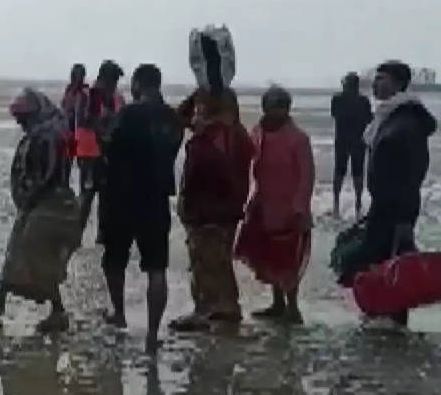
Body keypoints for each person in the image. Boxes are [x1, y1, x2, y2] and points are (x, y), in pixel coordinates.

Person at [0, 88, 75, 332]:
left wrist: (30, 197)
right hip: (42, 203)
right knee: (16, 250)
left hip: (50, 205)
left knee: (37, 256)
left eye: (22, 118)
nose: (20, 123)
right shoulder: (56, 131)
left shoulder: (51, 135)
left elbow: (50, 174)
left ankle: (58, 312)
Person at [343, 61, 438, 328]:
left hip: (397, 207)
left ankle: (392, 318)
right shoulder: (388, 116)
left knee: (393, 264)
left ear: (398, 84)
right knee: (381, 262)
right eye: (375, 79)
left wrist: (403, 214)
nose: (375, 84)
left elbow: (415, 168)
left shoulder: (406, 121)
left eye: (381, 79)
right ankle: (382, 314)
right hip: (385, 204)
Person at [99, 64, 184, 354]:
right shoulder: (173, 119)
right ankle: (151, 334)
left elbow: (108, 145)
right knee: (156, 269)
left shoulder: (128, 113)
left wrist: (103, 128)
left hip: (121, 197)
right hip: (156, 198)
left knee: (114, 260)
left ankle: (119, 313)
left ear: (138, 84)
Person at [172, 87, 254, 332]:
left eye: (201, 110)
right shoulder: (235, 134)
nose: (196, 116)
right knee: (219, 261)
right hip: (227, 209)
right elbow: (180, 117)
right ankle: (226, 308)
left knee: (205, 261)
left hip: (208, 210)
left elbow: (205, 173)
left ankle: (207, 310)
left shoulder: (212, 139)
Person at [236, 86, 315, 325]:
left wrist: (300, 207)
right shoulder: (257, 133)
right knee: (268, 257)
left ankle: (292, 308)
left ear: (286, 109)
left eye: (278, 107)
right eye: (268, 106)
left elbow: (307, 176)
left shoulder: (298, 139)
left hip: (290, 208)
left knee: (289, 259)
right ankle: (277, 303)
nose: (272, 111)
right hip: (263, 203)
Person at [76, 60, 126, 245]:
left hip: (107, 153)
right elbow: (82, 120)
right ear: (104, 78)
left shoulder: (114, 97)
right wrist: (105, 125)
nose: (114, 85)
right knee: (87, 196)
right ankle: (76, 236)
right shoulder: (88, 96)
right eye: (113, 81)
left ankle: (102, 237)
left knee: (106, 196)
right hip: (89, 153)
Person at [330, 72, 372, 217]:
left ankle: (336, 204)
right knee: (358, 173)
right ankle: (358, 204)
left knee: (339, 172)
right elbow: (369, 119)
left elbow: (334, 115)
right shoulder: (363, 101)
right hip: (359, 141)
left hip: (341, 140)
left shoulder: (337, 99)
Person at [60, 63, 89, 185]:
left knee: (82, 166)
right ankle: (65, 186)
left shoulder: (84, 92)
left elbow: (81, 115)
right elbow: (63, 107)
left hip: (79, 133)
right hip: (69, 132)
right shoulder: (69, 90)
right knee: (66, 164)